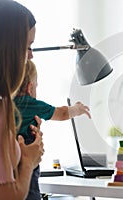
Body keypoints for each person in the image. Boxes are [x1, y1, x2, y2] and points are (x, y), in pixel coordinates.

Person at [14, 59, 91, 199]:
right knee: (31, 190)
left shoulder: (6, 104)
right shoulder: (31, 104)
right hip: (27, 156)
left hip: (11, 158)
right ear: (30, 87)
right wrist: (77, 109)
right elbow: (61, 113)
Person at [0, 0, 44, 199]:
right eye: (28, 47)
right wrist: (28, 161)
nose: (31, 56)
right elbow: (8, 195)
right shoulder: (0, 108)